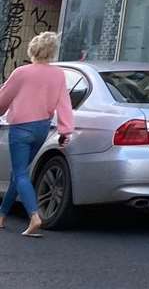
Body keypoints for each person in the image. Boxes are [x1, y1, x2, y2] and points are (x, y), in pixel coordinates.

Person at [0, 31, 75, 237]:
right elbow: (64, 104)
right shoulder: (59, 74)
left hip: (21, 128)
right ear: (52, 52)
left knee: (21, 173)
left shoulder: (22, 72)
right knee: (19, 173)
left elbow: (3, 99)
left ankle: (34, 217)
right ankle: (2, 215)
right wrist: (65, 130)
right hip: (42, 128)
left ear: (32, 49)